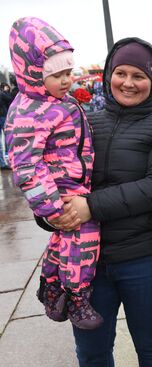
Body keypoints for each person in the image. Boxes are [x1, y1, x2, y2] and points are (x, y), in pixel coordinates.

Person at [55, 38, 152, 365]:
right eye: (120, 73)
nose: (128, 82)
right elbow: (58, 176)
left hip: (146, 259)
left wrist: (89, 206)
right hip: (87, 264)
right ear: (108, 75)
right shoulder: (83, 122)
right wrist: (51, 212)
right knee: (92, 351)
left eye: (139, 75)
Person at [5, 17, 102, 330]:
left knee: (63, 239)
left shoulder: (56, 102)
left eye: (68, 72)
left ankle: (49, 281)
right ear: (33, 73)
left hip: (71, 182)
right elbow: (25, 163)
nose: (66, 80)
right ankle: (77, 296)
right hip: (59, 189)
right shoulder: (29, 110)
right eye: (56, 74)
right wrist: (51, 207)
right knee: (84, 237)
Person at [0, 82, 13, 169]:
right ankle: (5, 161)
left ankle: (3, 162)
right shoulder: (2, 94)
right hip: (2, 117)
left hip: (2, 117)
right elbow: (10, 99)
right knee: (7, 138)